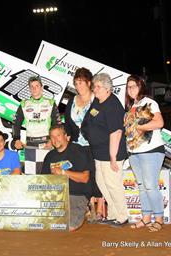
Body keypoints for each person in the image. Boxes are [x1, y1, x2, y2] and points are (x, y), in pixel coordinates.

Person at [81, 73, 128, 227]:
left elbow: (116, 132)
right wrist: (87, 133)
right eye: (94, 86)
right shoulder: (98, 101)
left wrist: (113, 157)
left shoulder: (112, 105)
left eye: (98, 86)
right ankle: (113, 214)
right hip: (98, 153)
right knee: (102, 184)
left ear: (108, 88)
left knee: (113, 184)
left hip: (111, 154)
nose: (95, 89)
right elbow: (87, 120)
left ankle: (122, 216)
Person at [124, 74, 165, 232]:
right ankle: (146, 218)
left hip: (151, 150)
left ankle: (159, 218)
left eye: (134, 85)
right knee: (141, 187)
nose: (131, 89)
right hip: (134, 152)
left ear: (141, 87)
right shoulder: (130, 107)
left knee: (150, 186)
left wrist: (139, 127)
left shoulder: (149, 103)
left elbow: (159, 122)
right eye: (128, 86)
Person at [64, 67, 104, 222]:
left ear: (89, 83)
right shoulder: (72, 101)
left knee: (97, 175)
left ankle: (100, 209)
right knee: (81, 176)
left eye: (81, 82)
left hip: (94, 144)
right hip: (76, 145)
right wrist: (67, 137)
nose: (78, 85)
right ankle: (88, 207)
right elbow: (68, 123)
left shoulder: (97, 100)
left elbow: (101, 122)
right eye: (76, 82)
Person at [42, 124, 93, 231]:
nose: (55, 139)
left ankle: (85, 207)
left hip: (75, 195)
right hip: (56, 197)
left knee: (68, 227)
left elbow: (85, 178)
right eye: (52, 137)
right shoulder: (49, 156)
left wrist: (63, 172)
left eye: (58, 135)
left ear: (66, 136)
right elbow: (44, 180)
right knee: (40, 224)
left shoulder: (78, 151)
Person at [12, 76, 61, 173]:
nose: (34, 88)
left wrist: (52, 140)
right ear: (29, 89)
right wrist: (16, 139)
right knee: (32, 175)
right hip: (30, 144)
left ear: (42, 88)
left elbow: (57, 124)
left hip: (47, 143)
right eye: (32, 86)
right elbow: (16, 124)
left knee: (48, 174)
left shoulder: (50, 103)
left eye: (37, 86)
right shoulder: (24, 104)